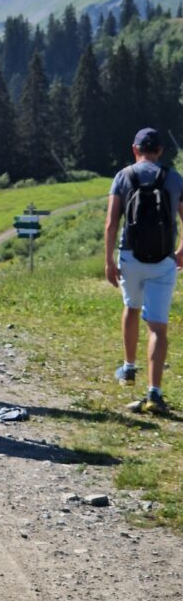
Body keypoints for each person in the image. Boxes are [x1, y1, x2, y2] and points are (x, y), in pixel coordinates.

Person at [105, 127, 183, 415]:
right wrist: (182, 249)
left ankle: (128, 367)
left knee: (131, 307)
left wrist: (108, 261)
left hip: (131, 257)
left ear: (134, 149)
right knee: (159, 328)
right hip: (163, 259)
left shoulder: (124, 176)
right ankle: (155, 392)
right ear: (161, 150)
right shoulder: (174, 178)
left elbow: (112, 222)